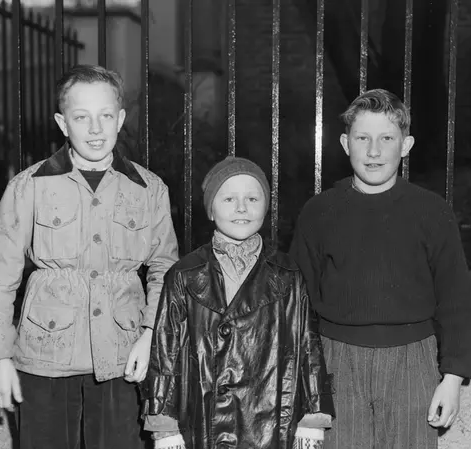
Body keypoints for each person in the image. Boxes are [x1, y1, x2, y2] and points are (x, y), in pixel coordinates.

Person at [0, 64, 179, 449]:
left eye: (106, 116)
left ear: (121, 119)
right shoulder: (28, 187)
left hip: (124, 357)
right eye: (82, 117)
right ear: (62, 123)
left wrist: (151, 333)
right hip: (45, 357)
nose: (96, 129)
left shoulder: (149, 189)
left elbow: (165, 270)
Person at [290, 89, 471, 448]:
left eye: (386, 139)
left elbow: (455, 299)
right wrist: (303, 380)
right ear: (345, 143)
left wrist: (453, 377)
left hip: (413, 361)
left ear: (405, 145)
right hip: (337, 362)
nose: (373, 151)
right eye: (363, 138)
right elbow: (298, 304)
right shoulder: (319, 212)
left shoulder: (431, 212)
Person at [141, 156, 335, 448]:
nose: (241, 208)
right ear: (211, 209)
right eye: (229, 198)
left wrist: (313, 416)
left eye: (252, 198)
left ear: (266, 206)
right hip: (203, 420)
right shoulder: (184, 275)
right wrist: (163, 424)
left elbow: (308, 346)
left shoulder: (287, 275)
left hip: (271, 425)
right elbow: (164, 352)